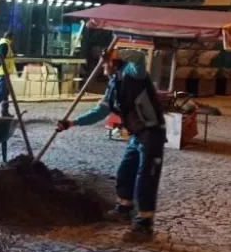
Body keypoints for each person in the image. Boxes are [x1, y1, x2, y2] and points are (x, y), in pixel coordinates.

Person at [55, 48, 166, 241]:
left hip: (151, 133)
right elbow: (100, 111)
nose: (102, 66)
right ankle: (123, 209)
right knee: (125, 172)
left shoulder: (134, 74)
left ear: (114, 63)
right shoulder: (114, 84)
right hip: (135, 135)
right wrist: (72, 123)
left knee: (145, 178)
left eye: (104, 62)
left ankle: (144, 226)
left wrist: (116, 54)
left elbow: (139, 57)